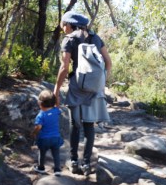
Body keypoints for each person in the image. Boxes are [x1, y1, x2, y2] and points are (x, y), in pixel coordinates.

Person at [53, 11, 112, 176]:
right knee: (89, 125)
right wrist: (101, 82)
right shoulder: (96, 38)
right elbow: (108, 62)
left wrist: (56, 90)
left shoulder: (69, 39)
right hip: (94, 87)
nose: (63, 29)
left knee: (75, 124)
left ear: (70, 25)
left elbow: (64, 67)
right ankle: (86, 164)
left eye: (64, 25)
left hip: (77, 85)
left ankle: (73, 161)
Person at [31, 90, 64, 176]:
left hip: (44, 139)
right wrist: (57, 98)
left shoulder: (41, 115)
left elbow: (38, 127)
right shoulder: (56, 111)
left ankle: (41, 167)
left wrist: (34, 133)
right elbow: (58, 105)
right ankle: (57, 169)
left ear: (39, 103)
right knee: (56, 153)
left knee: (42, 153)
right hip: (55, 138)